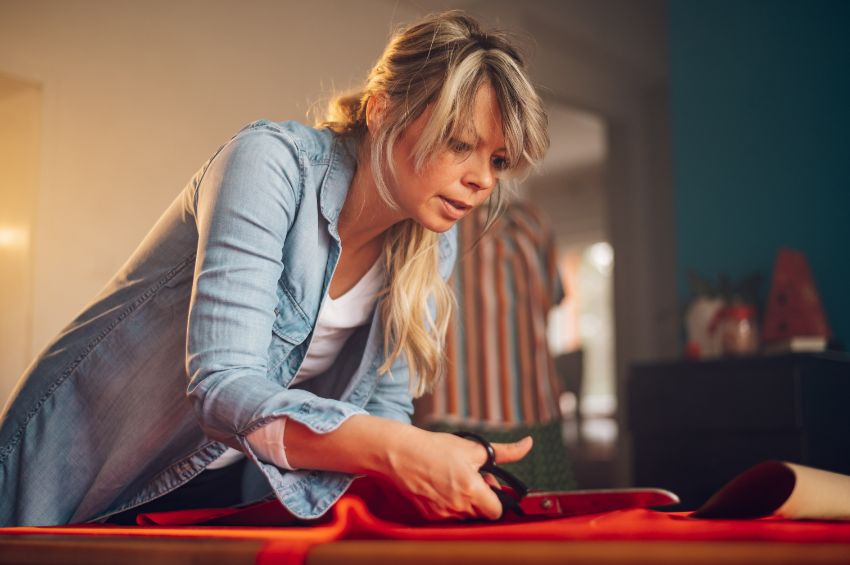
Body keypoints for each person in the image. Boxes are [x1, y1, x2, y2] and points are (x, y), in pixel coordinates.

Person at [0, 10, 549, 526]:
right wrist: (405, 453)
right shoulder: (270, 163)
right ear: (383, 111)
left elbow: (385, 407)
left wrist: (426, 474)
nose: (484, 180)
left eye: (498, 160)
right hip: (81, 472)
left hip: (226, 480)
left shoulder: (431, 244)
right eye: (460, 144)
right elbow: (224, 385)